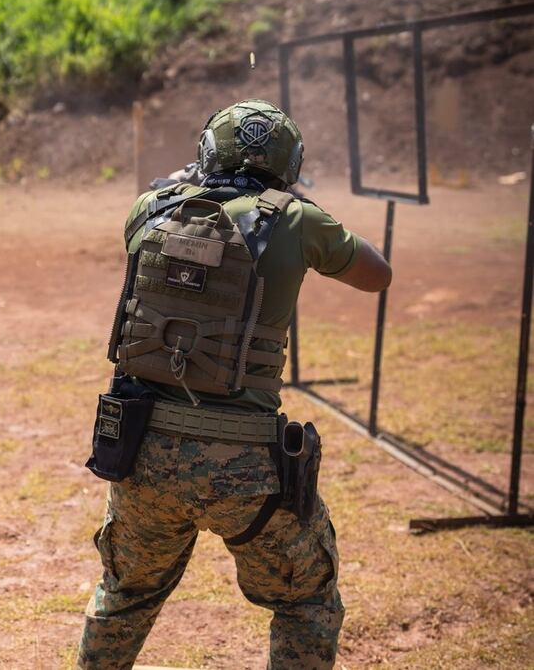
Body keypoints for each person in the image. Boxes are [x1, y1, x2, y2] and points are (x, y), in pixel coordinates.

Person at [79, 99, 391, 669]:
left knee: (125, 594)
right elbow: (378, 275)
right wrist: (304, 212)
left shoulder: (150, 208)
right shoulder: (296, 220)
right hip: (245, 467)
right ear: (288, 163)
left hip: (139, 452)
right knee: (306, 599)